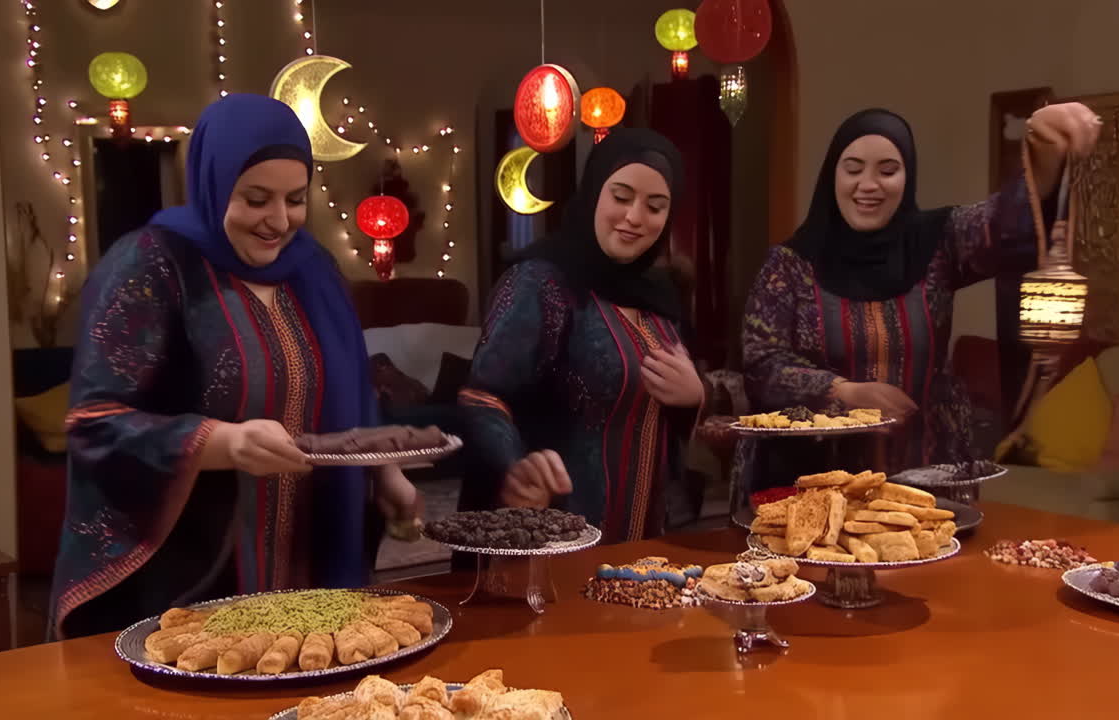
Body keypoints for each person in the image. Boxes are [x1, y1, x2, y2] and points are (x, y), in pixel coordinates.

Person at [50, 94, 419, 639]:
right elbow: (96, 421)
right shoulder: (153, 263)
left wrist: (385, 472)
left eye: (295, 199)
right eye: (255, 199)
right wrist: (218, 443)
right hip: (196, 585)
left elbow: (351, 390)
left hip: (314, 576)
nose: (278, 221)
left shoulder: (313, 269)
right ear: (214, 183)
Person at [735, 104, 1101, 496]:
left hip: (926, 472)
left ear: (907, 178)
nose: (869, 185)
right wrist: (843, 391)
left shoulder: (939, 241)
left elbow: (1007, 223)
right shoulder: (790, 264)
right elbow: (762, 363)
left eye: (888, 170)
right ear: (832, 176)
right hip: (816, 479)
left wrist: (1043, 147)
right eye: (853, 169)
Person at [457, 128, 704, 544]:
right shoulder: (543, 282)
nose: (635, 217)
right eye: (621, 197)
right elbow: (482, 395)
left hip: (647, 541)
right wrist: (515, 463)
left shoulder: (661, 297)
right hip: (553, 537)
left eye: (655, 206)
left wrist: (695, 396)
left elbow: (664, 411)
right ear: (593, 193)